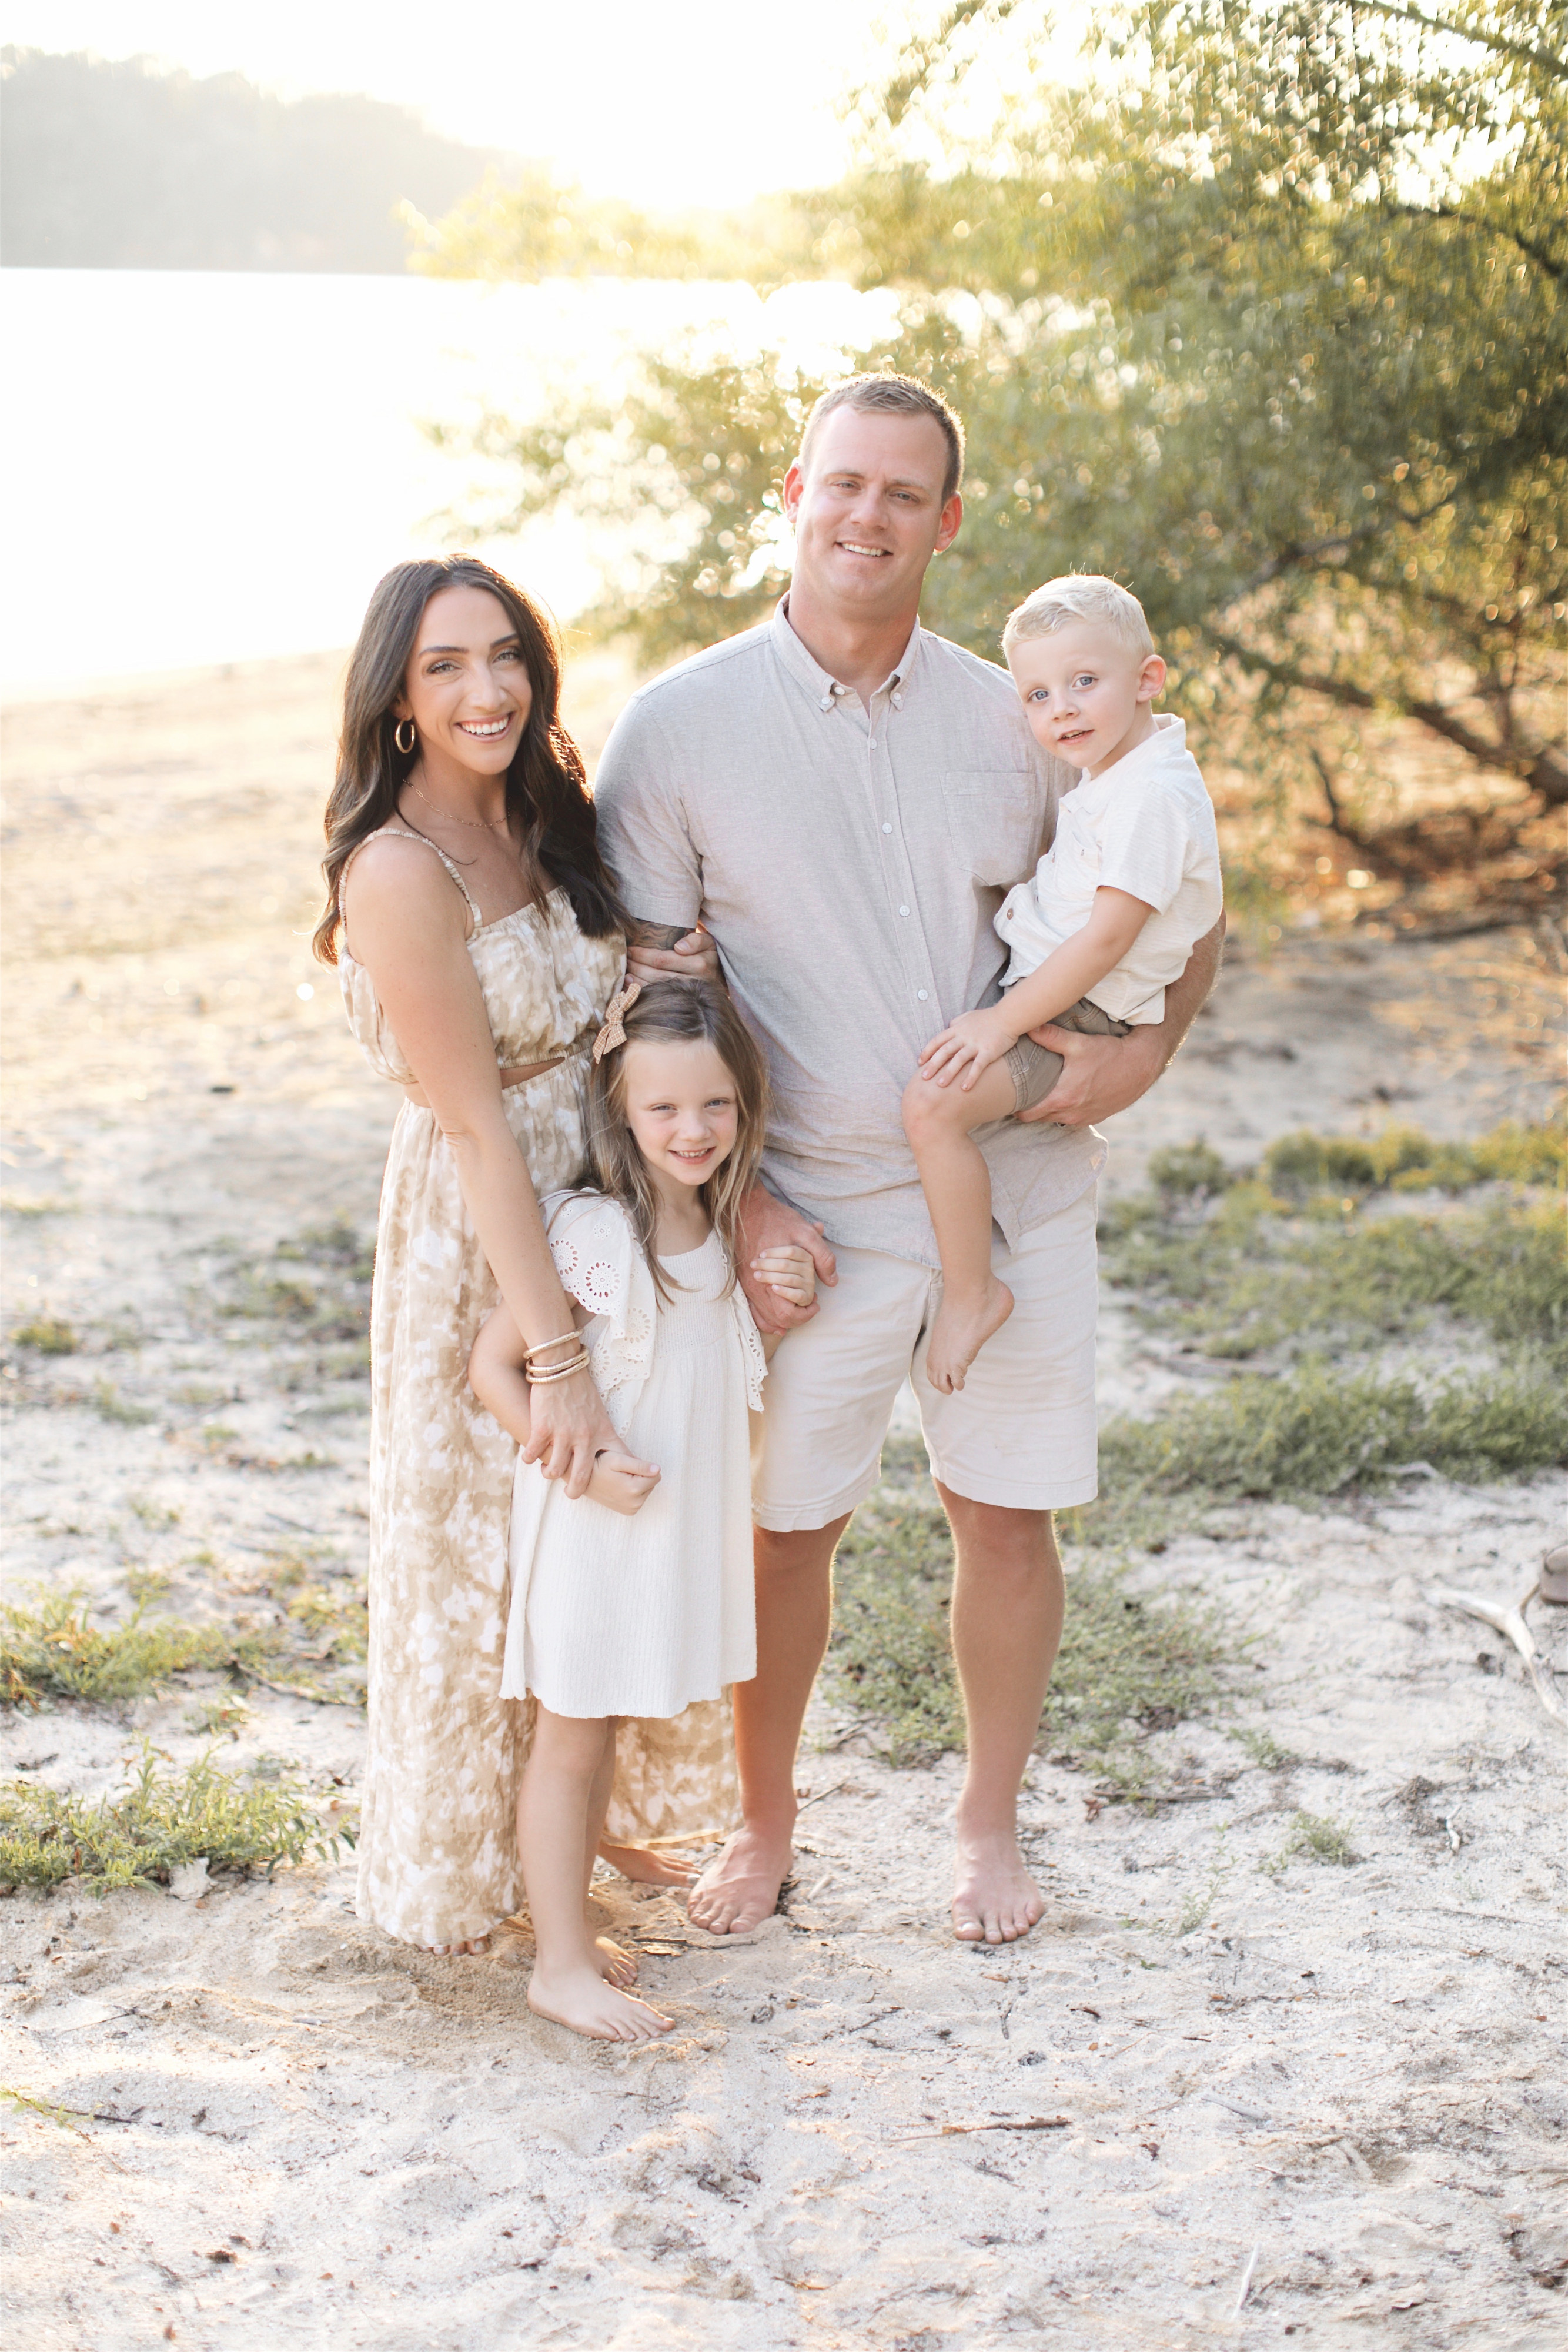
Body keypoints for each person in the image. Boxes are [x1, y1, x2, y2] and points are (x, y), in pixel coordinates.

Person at [598, 372, 1225, 1947]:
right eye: (843, 482)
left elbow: (1177, 896)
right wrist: (743, 1206)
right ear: (790, 494)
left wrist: (1142, 1056)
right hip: (806, 1209)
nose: (865, 515)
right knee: (782, 1530)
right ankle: (763, 1822)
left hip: (1012, 1190)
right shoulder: (675, 729)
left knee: (1003, 1515)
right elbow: (654, 1004)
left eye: (901, 493)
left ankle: (984, 1828)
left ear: (944, 523)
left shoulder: (1029, 718)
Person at [316, 554, 737, 1956]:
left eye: (503, 655)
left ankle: (585, 1821)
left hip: (593, 1186)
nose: (484, 689)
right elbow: (478, 1128)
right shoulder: (398, 869)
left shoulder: (544, 810)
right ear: (396, 699)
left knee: (587, 1539)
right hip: (481, 1221)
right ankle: (484, 1868)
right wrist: (551, 1348)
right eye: (443, 666)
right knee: (491, 1540)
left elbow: (594, 1004)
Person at [469, 980, 815, 2039]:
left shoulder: (711, 1227)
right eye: (663, 1108)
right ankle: (557, 1967)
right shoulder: (597, 1231)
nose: (692, 1130)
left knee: (601, 1725)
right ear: (621, 1110)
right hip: (594, 1531)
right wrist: (580, 1466)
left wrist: (782, 1307)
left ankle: (569, 1922)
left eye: (715, 1105)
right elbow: (493, 1367)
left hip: (658, 1537)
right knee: (572, 1739)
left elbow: (712, 1370)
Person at [904, 574, 1223, 1393]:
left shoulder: (1150, 796)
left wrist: (1000, 1022)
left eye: (1085, 681)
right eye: (1038, 695)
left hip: (1077, 1013)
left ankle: (973, 1295)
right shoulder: (1121, 775)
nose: (1063, 710)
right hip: (1056, 994)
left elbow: (1107, 938)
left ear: (1148, 679)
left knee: (933, 1109)